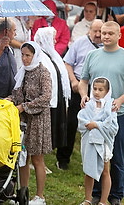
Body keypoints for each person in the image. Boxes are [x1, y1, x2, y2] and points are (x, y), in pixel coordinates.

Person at [79, 21, 124, 205]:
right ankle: (96, 194)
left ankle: (115, 195)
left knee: (116, 158)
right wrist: (83, 95)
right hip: (93, 115)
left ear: (118, 36)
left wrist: (120, 99)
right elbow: (84, 80)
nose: (105, 36)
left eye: (110, 34)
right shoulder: (92, 55)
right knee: (93, 155)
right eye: (103, 33)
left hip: (118, 114)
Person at [8, 41, 52, 205]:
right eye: (23, 55)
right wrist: (10, 100)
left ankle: (40, 196)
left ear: (35, 55)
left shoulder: (43, 73)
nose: (25, 58)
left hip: (38, 121)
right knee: (22, 158)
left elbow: (45, 98)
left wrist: (25, 107)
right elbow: (18, 93)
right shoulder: (23, 72)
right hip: (23, 121)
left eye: (28, 55)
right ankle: (22, 193)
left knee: (37, 159)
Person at [59, 20, 103, 170]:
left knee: (96, 125)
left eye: (100, 31)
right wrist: (73, 81)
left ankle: (93, 160)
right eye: (94, 31)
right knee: (71, 123)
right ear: (89, 30)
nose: (97, 35)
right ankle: (63, 158)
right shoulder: (80, 43)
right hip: (78, 85)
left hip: (98, 89)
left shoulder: (107, 47)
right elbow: (67, 63)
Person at [78, 77, 118, 205]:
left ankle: (102, 201)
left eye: (100, 89)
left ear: (107, 91)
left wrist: (96, 125)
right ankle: (88, 199)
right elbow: (82, 121)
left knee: (105, 171)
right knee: (89, 170)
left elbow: (112, 126)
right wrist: (92, 125)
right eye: (94, 89)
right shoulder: (87, 105)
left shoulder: (110, 107)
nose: (96, 92)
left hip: (104, 142)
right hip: (89, 142)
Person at [34, 27, 71, 156]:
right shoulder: (39, 57)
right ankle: (38, 160)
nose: (55, 41)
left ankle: (41, 159)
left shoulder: (52, 55)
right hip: (47, 99)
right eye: (52, 38)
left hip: (56, 97)